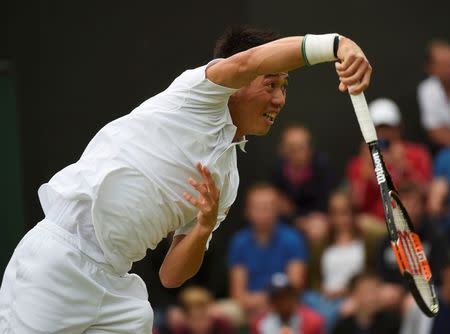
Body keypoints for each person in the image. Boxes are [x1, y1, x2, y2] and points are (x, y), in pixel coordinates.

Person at [0, 26, 371, 332]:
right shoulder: (196, 94)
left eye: (285, 88)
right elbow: (251, 60)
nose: (279, 99)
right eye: (271, 84)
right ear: (238, 80)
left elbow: (171, 275)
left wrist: (202, 228)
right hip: (58, 261)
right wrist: (337, 45)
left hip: (115, 289)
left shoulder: (227, 179)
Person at [227, 183, 308, 316]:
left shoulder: (293, 238)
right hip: (248, 307)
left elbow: (296, 286)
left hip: (285, 306)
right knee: (223, 312)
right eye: (259, 207)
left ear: (278, 209)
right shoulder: (239, 242)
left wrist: (271, 303)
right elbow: (237, 294)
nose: (264, 212)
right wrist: (260, 302)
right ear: (247, 211)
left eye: (269, 207)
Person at [347, 97, 432, 220]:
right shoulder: (359, 163)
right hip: (377, 225)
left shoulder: (417, 154)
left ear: (398, 128)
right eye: (378, 128)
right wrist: (367, 169)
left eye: (387, 128)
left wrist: (403, 165)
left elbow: (426, 192)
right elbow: (357, 204)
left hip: (411, 220)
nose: (383, 134)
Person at [272, 124, 336, 223]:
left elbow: (325, 204)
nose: (295, 153)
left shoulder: (322, 168)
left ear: (310, 149)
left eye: (300, 148)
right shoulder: (277, 169)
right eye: (291, 148)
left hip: (315, 220)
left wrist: (295, 213)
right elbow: (278, 204)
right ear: (282, 149)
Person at [251, 273, 325, 334]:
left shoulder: (313, 322)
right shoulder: (259, 323)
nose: (281, 302)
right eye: (277, 298)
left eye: (285, 297)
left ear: (293, 297)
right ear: (271, 301)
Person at [332, 272, 401, 334]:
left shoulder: (392, 323)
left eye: (376, 290)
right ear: (353, 294)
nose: (373, 297)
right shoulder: (342, 327)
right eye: (367, 291)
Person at [417, 39, 450, 149]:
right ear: (430, 68)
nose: (448, 68)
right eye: (443, 64)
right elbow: (435, 132)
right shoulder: (427, 90)